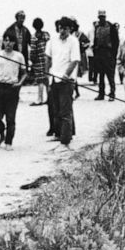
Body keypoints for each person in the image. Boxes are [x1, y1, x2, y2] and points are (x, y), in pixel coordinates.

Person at [45, 15, 80, 150]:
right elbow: (47, 58)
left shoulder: (74, 41)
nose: (62, 31)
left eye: (65, 28)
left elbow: (75, 60)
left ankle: (65, 141)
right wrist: (47, 75)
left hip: (67, 80)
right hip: (54, 78)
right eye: (60, 28)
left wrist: (66, 75)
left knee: (66, 111)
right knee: (55, 109)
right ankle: (58, 134)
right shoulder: (52, 41)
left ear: (70, 29)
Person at [0, 34, 27, 150]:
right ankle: (2, 135)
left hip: (12, 88)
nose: (8, 43)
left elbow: (24, 73)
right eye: (5, 40)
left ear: (14, 43)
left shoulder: (19, 56)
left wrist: (19, 83)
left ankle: (9, 141)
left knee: (10, 118)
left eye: (10, 41)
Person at [90, 9, 119, 100]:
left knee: (110, 75)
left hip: (108, 53)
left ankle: (112, 93)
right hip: (99, 53)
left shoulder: (111, 27)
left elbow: (116, 42)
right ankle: (101, 93)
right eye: (100, 17)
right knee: (100, 75)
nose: (101, 19)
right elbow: (95, 40)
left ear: (105, 17)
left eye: (103, 17)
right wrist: (95, 52)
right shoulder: (97, 28)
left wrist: (113, 55)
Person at [3, 10, 32, 75]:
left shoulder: (26, 30)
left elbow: (31, 44)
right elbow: (4, 45)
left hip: (23, 58)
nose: (22, 19)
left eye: (23, 18)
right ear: (17, 18)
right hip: (12, 57)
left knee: (23, 76)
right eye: (21, 17)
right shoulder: (10, 30)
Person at [29, 17, 49, 106]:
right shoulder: (46, 35)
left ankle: (39, 99)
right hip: (47, 59)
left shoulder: (34, 37)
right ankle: (49, 98)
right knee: (47, 80)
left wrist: (32, 61)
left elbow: (33, 52)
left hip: (38, 61)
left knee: (40, 81)